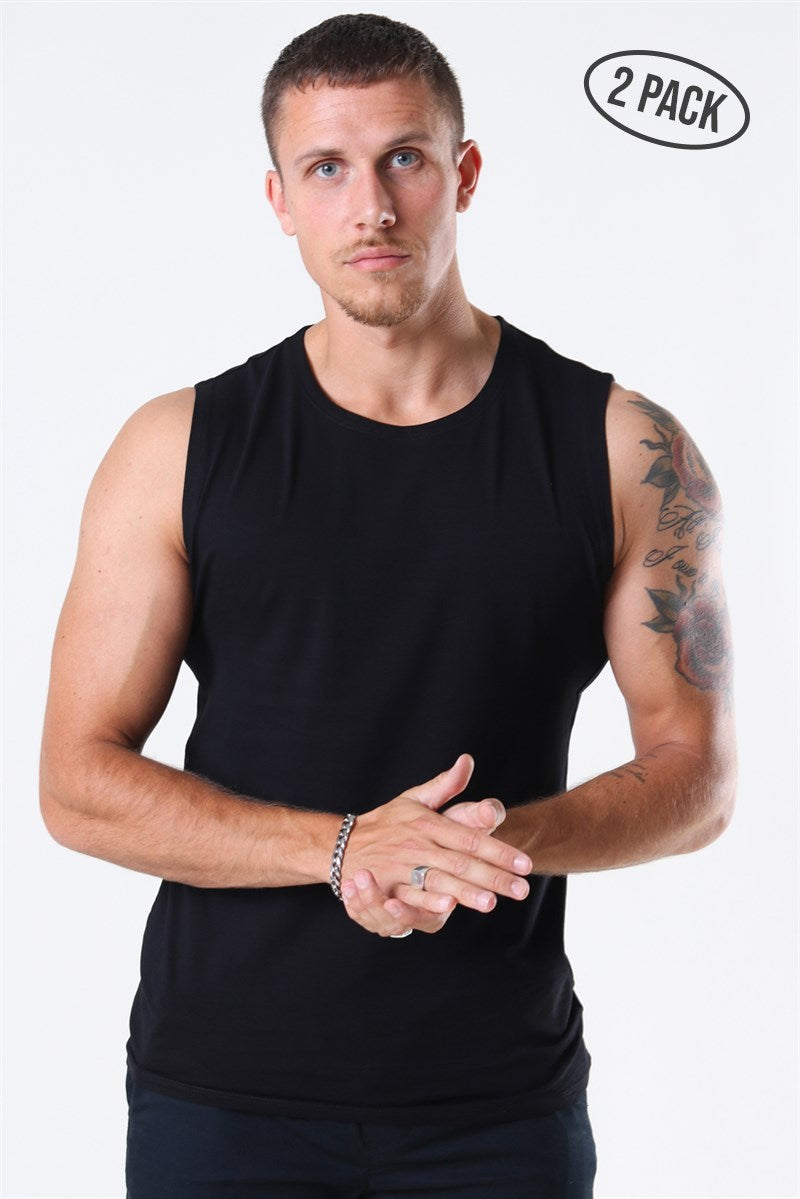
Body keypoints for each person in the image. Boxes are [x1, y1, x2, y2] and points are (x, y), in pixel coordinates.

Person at [39, 12, 737, 1198]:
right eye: (326, 167)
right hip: (222, 1096)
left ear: (463, 172)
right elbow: (75, 781)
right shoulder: (177, 447)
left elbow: (696, 776)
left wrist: (476, 851)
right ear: (279, 199)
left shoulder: (624, 449)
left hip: (498, 1103)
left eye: (403, 158)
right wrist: (349, 849)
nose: (369, 206)